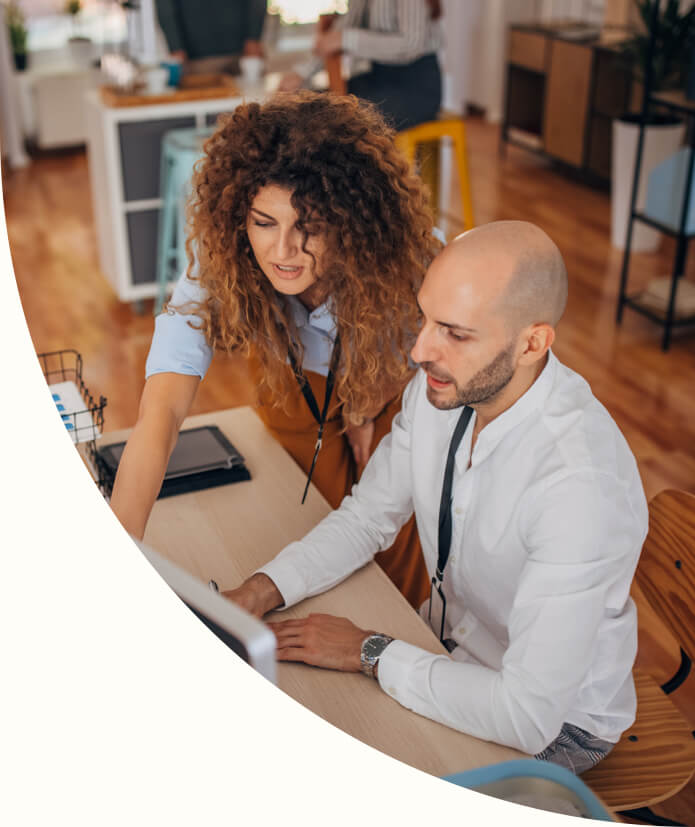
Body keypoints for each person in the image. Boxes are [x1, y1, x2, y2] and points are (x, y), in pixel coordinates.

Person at [224, 221, 648, 772]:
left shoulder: (580, 487)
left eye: (456, 332)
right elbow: (366, 519)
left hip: (555, 724)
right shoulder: (445, 391)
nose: (421, 349)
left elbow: (526, 717)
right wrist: (261, 590)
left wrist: (367, 650)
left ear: (532, 342)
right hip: (446, 648)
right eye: (424, 318)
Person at [110, 91, 440, 609]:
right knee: (304, 516)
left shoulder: (408, 256)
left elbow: (443, 354)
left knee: (393, 534)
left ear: (350, 222)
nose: (283, 251)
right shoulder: (219, 260)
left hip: (392, 374)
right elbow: (163, 410)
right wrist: (118, 555)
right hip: (296, 379)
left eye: (308, 227)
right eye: (265, 223)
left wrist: (370, 398)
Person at [280, 0, 443, 130]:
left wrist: (346, 39)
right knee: (307, 107)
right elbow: (340, 32)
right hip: (379, 79)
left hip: (415, 89)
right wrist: (301, 73)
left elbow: (412, 43)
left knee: (335, 118)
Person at [155, 0, 267, 75]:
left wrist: (253, 38)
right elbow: (165, 7)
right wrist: (176, 47)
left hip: (243, 56)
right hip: (197, 59)